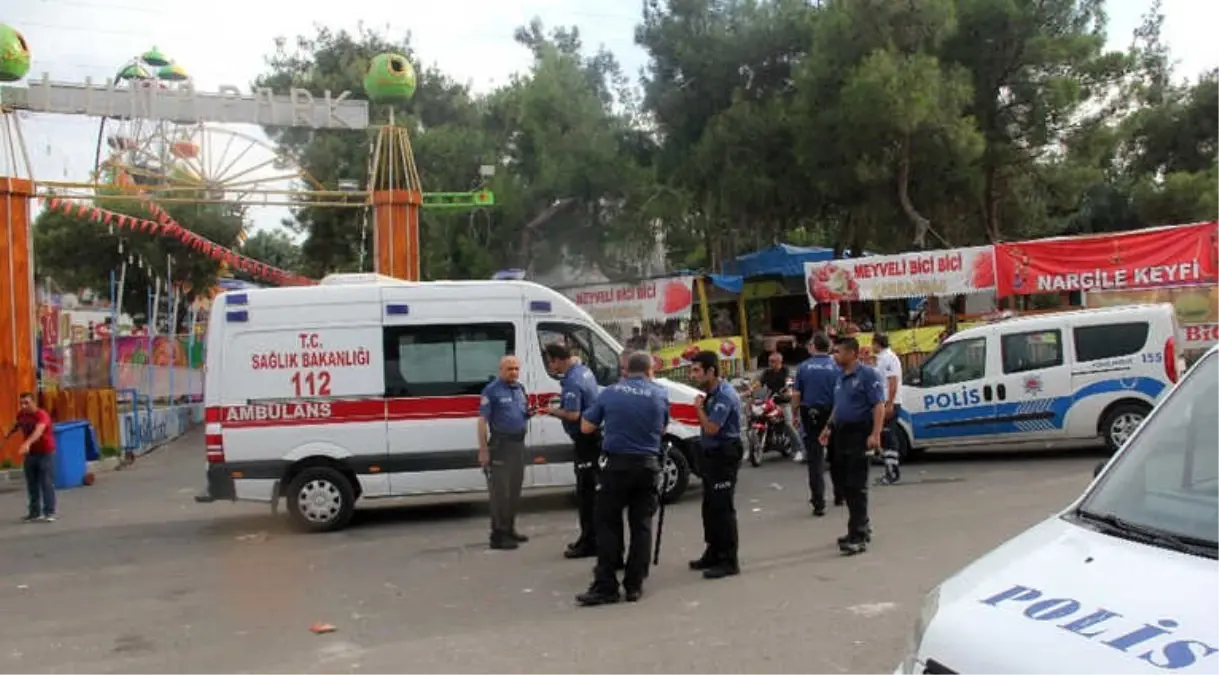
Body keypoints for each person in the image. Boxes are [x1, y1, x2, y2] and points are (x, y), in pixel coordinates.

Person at [575, 351, 669, 606]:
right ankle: (634, 585)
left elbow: (586, 427)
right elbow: (662, 428)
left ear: (626, 369)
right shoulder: (660, 394)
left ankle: (606, 585)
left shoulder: (610, 392)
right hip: (647, 466)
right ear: (649, 370)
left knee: (607, 523)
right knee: (642, 526)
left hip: (616, 467)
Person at [818, 337, 885, 556]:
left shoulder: (867, 375)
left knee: (856, 485)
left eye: (838, 352)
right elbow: (839, 405)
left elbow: (878, 405)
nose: (834, 356)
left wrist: (875, 433)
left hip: (860, 432)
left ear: (852, 353)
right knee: (845, 484)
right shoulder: (840, 377)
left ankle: (858, 536)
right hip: (842, 433)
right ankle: (860, 525)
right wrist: (829, 426)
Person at [543, 343, 603, 559]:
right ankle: (589, 537)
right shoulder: (583, 370)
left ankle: (590, 542)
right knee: (591, 491)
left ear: (557, 360)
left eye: (550, 362)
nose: (550, 367)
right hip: (594, 436)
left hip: (585, 440)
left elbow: (573, 414)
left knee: (586, 494)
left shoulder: (572, 381)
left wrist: (551, 410)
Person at [688, 350, 744, 580]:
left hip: (725, 453)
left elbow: (712, 428)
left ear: (711, 371)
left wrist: (698, 409)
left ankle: (729, 560)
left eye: (696, 370)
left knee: (723, 508)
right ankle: (713, 551)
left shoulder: (724, 395)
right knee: (710, 507)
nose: (693, 375)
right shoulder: (710, 393)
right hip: (711, 454)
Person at [478, 355, 534, 550]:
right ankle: (498, 535)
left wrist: (528, 413)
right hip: (500, 446)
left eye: (516, 369)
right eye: (510, 369)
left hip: (517, 445)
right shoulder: (491, 391)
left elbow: (522, 412)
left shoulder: (519, 389)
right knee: (501, 493)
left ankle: (510, 529)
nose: (514, 372)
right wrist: (483, 450)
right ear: (501, 370)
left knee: (514, 490)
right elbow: (482, 421)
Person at [791, 333, 840, 516]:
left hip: (810, 413)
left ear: (814, 347)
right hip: (833, 412)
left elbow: (796, 394)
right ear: (828, 347)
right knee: (836, 454)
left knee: (815, 458)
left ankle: (818, 502)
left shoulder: (804, 367)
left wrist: (795, 413)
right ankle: (840, 494)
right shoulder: (836, 366)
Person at [5, 392, 56, 523]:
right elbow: (17, 424)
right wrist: (8, 433)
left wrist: (27, 443)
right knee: (32, 484)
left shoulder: (42, 415)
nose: (23, 406)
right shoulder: (22, 415)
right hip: (30, 454)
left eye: (26, 403)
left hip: (45, 452)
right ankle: (34, 512)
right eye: (21, 403)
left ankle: (49, 512)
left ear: (33, 402)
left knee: (46, 482)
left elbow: (38, 431)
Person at [751, 351, 805, 461]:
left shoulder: (786, 371)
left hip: (784, 402)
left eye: (773, 361)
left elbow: (789, 382)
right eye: (769, 361)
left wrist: (788, 390)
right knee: (755, 417)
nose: (770, 363)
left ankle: (799, 449)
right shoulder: (767, 372)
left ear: (780, 361)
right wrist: (751, 389)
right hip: (770, 401)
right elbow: (759, 382)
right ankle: (754, 447)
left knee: (788, 424)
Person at [872, 333, 904, 485]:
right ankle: (889, 470)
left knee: (889, 436)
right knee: (885, 437)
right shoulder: (882, 358)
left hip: (889, 403)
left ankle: (892, 472)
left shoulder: (889, 358)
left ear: (877, 343)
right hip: (883, 402)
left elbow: (892, 382)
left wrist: (890, 403)